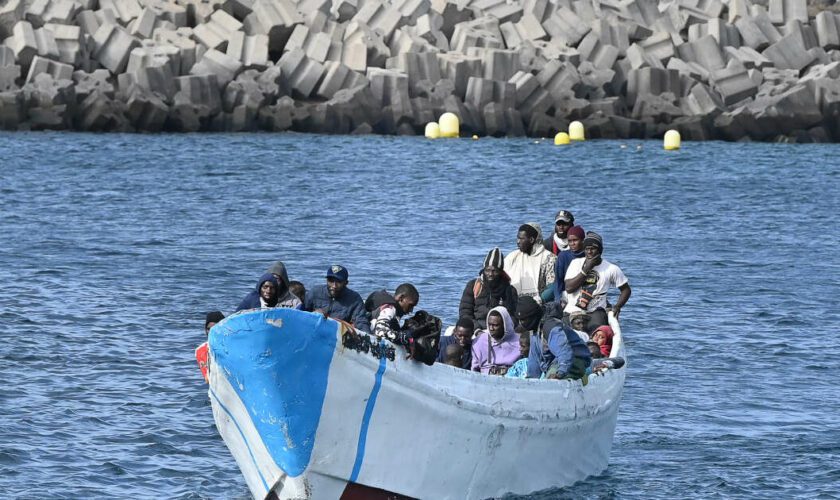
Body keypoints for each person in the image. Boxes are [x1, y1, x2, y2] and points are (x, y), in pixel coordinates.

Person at [564, 231, 631, 331]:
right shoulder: (575, 263)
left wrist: (617, 306)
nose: (589, 252)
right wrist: (586, 269)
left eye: (593, 249)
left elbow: (626, 290)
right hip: (573, 310)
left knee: (597, 332)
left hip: (596, 311)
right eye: (587, 249)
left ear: (600, 250)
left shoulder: (611, 268)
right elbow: (569, 288)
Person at [459, 248, 519, 330]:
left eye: (495, 271)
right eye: (487, 270)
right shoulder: (473, 286)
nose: (490, 274)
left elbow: (513, 316)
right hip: (476, 329)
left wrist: (502, 330)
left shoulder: (510, 290)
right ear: (484, 269)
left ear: (500, 272)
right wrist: (477, 330)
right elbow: (465, 312)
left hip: (500, 330)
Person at [304, 265, 370, 332]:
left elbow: (361, 321)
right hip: (313, 330)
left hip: (338, 335)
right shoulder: (315, 292)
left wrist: (368, 337)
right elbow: (301, 313)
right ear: (326, 280)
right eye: (331, 281)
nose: (334, 286)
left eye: (338, 282)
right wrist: (313, 314)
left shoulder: (354, 299)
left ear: (346, 283)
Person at [504, 223, 556, 304]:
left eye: (521, 239)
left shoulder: (549, 258)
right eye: (517, 238)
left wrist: (537, 300)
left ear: (531, 240)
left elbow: (552, 287)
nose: (518, 242)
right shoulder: (512, 257)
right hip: (514, 302)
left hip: (539, 304)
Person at [471, 307, 520, 375]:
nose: (491, 328)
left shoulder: (519, 342)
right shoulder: (480, 342)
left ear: (504, 325)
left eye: (495, 325)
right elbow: (474, 369)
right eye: (489, 324)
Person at [236, 261, 302, 311]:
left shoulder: (295, 302)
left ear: (283, 280)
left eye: (276, 279)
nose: (272, 281)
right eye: (265, 286)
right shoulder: (253, 298)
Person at [553, 225, 586, 306]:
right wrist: (558, 299)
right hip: (567, 293)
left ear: (582, 240)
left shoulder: (588, 255)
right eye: (570, 241)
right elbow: (558, 281)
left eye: (575, 240)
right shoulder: (563, 256)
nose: (572, 243)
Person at [196, 311, 225, 383]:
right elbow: (207, 379)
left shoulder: (235, 344)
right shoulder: (201, 350)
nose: (211, 332)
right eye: (209, 329)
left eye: (215, 328)